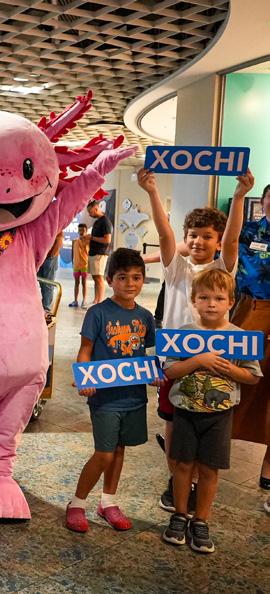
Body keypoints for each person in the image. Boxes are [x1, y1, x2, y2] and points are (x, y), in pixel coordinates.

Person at [137, 167, 254, 513]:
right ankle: (178, 482)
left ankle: (197, 489)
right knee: (174, 427)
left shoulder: (221, 271)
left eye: (207, 236)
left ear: (216, 241)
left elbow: (233, 240)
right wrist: (152, 191)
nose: (198, 241)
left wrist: (239, 197)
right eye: (192, 235)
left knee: (208, 428)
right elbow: (164, 233)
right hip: (175, 363)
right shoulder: (176, 268)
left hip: (214, 366)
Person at [161, 270, 261, 553]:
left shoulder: (240, 338)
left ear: (231, 301)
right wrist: (199, 360)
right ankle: (180, 515)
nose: (211, 304)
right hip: (185, 411)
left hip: (220, 416)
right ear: (194, 300)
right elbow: (170, 370)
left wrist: (230, 369)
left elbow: (252, 376)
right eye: (204, 297)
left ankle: (201, 520)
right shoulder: (183, 334)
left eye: (218, 298)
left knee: (209, 469)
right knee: (182, 466)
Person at [65, 248, 159, 533]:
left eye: (136, 277)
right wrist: (84, 377)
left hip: (134, 397)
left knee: (119, 450)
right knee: (104, 453)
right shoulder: (98, 313)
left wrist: (154, 373)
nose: (130, 283)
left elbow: (148, 354)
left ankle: (108, 502)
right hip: (105, 399)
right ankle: (77, 503)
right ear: (109, 280)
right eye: (122, 277)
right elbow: (86, 349)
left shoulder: (146, 317)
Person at [231, 182, 270, 506]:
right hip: (251, 309)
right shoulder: (250, 231)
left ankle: (269, 464)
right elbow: (232, 248)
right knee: (229, 377)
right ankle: (204, 451)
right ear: (264, 201)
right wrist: (240, 195)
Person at [86, 199, 113, 304]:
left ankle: (100, 301)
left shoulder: (105, 221)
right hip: (94, 252)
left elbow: (107, 240)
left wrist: (92, 238)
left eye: (90, 212)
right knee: (95, 277)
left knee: (99, 277)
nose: (89, 214)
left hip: (100, 253)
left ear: (96, 208)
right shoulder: (98, 221)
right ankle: (96, 300)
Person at [38, 231, 64, 311]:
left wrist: (51, 256)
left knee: (48, 285)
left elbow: (59, 240)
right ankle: (43, 306)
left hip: (49, 259)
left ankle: (46, 308)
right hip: (41, 257)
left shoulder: (58, 229)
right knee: (42, 283)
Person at [68, 223, 90, 308]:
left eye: (83, 230)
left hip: (85, 265)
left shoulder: (88, 241)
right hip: (76, 265)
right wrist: (73, 263)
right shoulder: (74, 241)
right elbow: (72, 253)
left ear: (86, 231)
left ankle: (84, 300)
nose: (81, 232)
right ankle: (75, 300)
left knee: (84, 283)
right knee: (76, 283)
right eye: (80, 230)